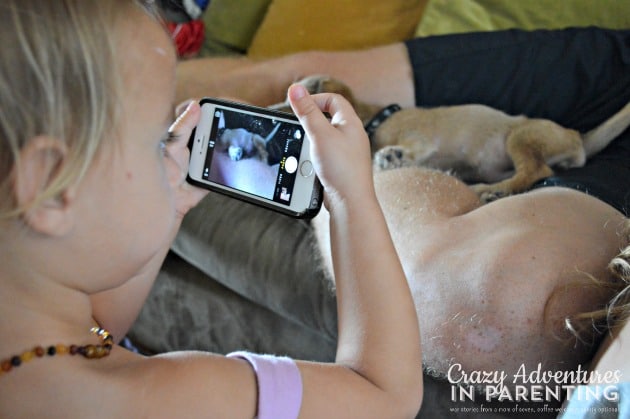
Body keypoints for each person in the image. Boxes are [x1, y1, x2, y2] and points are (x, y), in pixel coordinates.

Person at [0, 1, 424, 418]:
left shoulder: (31, 341)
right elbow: (386, 395)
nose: (173, 154)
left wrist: (174, 204)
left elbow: (95, 328)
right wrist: (350, 196)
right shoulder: (167, 397)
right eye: (156, 143)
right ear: (51, 188)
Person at [177, 27, 630, 392]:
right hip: (610, 81)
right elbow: (299, 79)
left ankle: (322, 182)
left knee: (497, 303)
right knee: (293, 85)